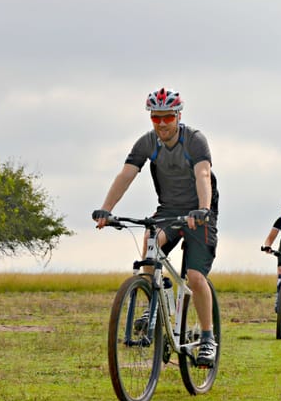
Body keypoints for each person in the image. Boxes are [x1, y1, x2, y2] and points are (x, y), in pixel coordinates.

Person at [92, 87, 219, 367]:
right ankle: (151, 303)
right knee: (151, 239)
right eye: (156, 118)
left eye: (167, 117)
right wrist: (107, 209)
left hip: (200, 211)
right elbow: (126, 175)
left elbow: (203, 174)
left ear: (178, 115)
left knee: (196, 278)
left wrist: (203, 210)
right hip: (169, 211)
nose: (162, 124)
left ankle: (208, 339)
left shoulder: (195, 141)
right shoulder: (147, 143)